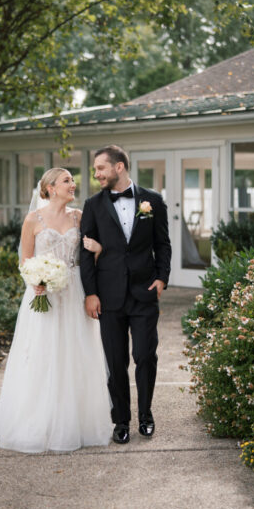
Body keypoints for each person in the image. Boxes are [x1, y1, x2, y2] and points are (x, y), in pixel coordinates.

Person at [0, 167, 113, 453]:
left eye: (73, 181)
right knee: (42, 354)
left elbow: (91, 255)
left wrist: (99, 249)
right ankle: (38, 419)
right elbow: (25, 259)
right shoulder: (33, 219)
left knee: (76, 354)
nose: (72, 184)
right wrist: (35, 280)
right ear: (50, 187)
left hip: (74, 291)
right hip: (44, 294)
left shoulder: (79, 216)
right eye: (67, 181)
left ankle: (76, 421)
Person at [80, 145, 171, 444]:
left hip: (144, 293)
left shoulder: (153, 201)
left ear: (119, 167)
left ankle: (146, 416)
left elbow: (163, 244)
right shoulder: (93, 205)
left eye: (100, 169)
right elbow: (85, 252)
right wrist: (90, 293)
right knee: (115, 362)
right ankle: (121, 421)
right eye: (95, 170)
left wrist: (161, 278)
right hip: (109, 297)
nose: (97, 175)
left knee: (145, 356)